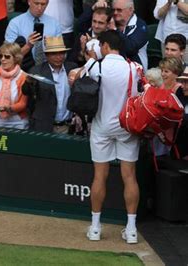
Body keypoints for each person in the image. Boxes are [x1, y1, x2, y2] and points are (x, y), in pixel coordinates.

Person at [81, 30, 141, 244]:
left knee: (99, 176)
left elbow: (84, 69)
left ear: (105, 46)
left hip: (102, 125)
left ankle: (96, 228)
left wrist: (87, 48)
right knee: (129, 176)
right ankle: (131, 230)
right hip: (127, 127)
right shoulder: (135, 68)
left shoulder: (96, 66)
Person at [24, 36, 78, 133]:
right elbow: (26, 92)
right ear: (47, 55)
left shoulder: (72, 68)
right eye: (54, 54)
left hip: (67, 126)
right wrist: (28, 82)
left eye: (61, 53)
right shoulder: (37, 71)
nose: (58, 57)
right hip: (44, 126)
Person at [5, 0, 62, 71]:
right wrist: (28, 46)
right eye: (36, 3)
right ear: (29, 2)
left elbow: (61, 54)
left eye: (43, 4)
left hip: (48, 69)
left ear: (47, 4)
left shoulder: (54, 23)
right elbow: (7, 57)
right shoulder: (15, 23)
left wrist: (50, 49)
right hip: (22, 69)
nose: (39, 8)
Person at [111, 0, 149, 70]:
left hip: (136, 72)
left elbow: (130, 48)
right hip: (114, 69)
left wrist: (114, 29)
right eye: (113, 10)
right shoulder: (110, 23)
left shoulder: (140, 26)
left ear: (131, 10)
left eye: (119, 10)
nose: (115, 13)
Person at [175, 66, 188, 160]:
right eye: (182, 82)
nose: (182, 86)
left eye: (186, 82)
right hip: (180, 150)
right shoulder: (180, 93)